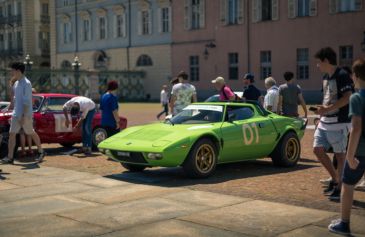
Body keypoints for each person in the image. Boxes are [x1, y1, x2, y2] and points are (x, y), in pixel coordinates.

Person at [328, 58, 365, 235]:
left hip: (360, 152)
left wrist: (350, 156)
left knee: (348, 185)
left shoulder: (357, 97)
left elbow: (356, 128)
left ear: (355, 76)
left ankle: (344, 223)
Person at [313, 47, 353, 201]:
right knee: (317, 149)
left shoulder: (342, 75)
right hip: (325, 121)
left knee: (340, 156)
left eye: (318, 62)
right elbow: (327, 98)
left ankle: (340, 186)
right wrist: (321, 112)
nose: (317, 66)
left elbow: (348, 97)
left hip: (339, 122)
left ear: (326, 61)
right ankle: (337, 179)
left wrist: (328, 109)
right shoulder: (325, 76)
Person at [1, 62, 45, 164]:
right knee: (12, 134)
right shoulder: (16, 83)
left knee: (30, 132)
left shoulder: (27, 83)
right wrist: (8, 108)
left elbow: (26, 101)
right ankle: (10, 157)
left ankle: (41, 151)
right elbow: (16, 100)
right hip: (16, 114)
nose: (11, 72)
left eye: (12, 70)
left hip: (26, 114)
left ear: (18, 71)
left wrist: (23, 116)